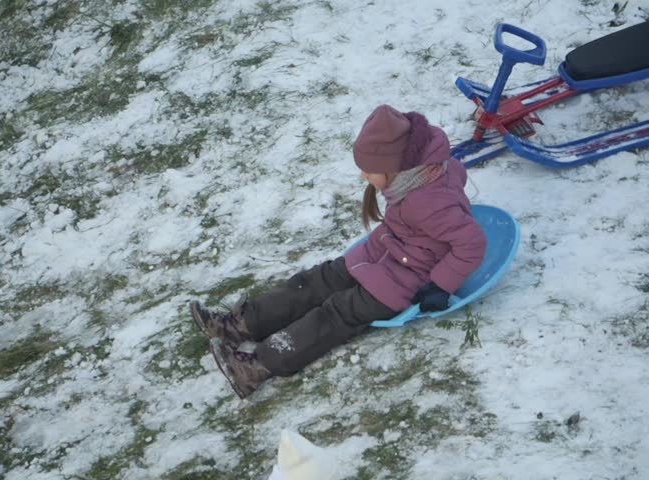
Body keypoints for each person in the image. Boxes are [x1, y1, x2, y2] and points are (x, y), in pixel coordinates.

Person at [190, 104, 487, 399]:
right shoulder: (417, 176)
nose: (363, 177)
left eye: (369, 170)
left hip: (406, 280)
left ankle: (255, 368)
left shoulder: (429, 201)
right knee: (317, 281)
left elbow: (472, 243)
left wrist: (439, 286)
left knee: (335, 314)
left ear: (395, 168)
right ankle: (240, 325)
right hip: (383, 253)